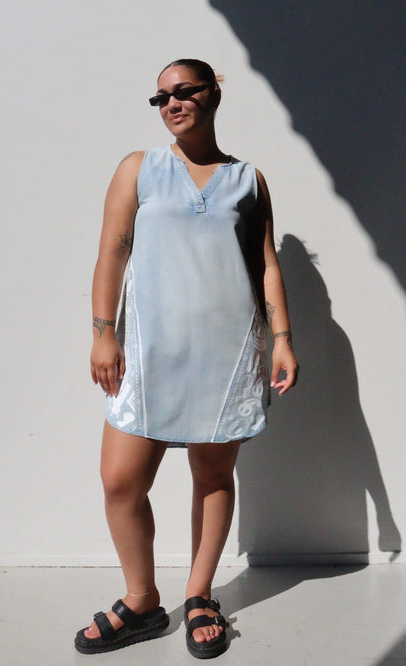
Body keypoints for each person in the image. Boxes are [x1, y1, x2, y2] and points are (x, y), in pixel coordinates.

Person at [74, 58, 298, 659]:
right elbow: (112, 253)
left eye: (183, 91)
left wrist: (282, 337)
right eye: (161, 98)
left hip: (225, 352)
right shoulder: (139, 168)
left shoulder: (248, 180)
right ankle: (142, 600)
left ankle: (200, 595)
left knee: (212, 476)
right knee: (120, 481)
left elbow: (266, 264)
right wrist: (103, 333)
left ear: (212, 94)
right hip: (148, 351)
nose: (171, 104)